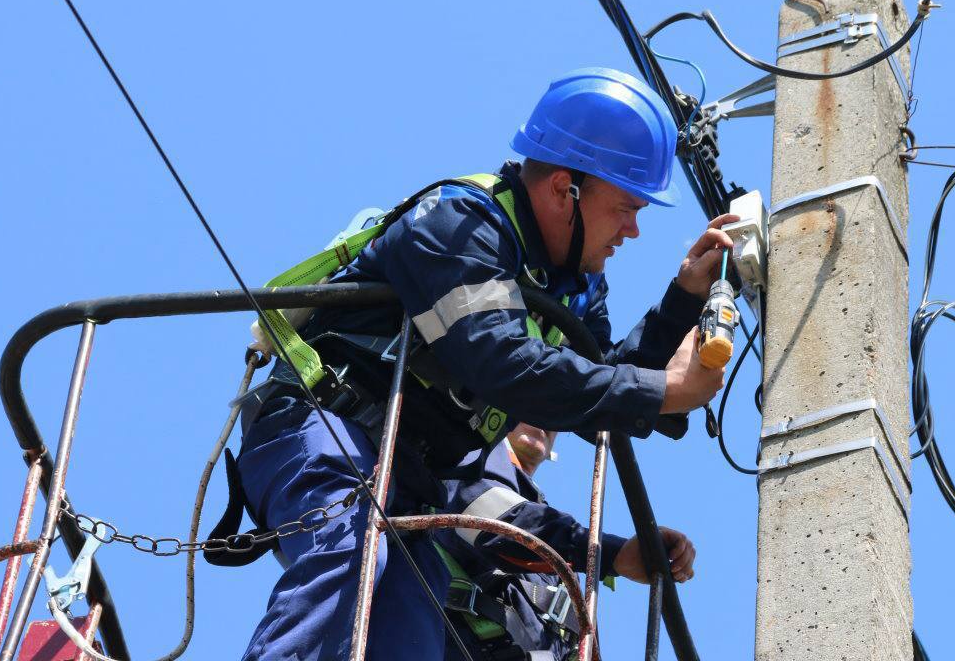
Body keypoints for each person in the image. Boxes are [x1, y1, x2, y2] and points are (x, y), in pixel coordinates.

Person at [234, 67, 735, 660]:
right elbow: (502, 362)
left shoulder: (573, 289)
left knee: (410, 626)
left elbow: (593, 391)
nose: (633, 229)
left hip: (409, 480)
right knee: (350, 554)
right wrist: (665, 390)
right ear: (564, 190)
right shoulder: (458, 225)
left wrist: (683, 301)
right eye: (626, 207)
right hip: (325, 426)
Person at [438, 423, 696, 660]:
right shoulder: (467, 454)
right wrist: (611, 554)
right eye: (530, 401)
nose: (543, 420)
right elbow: (494, 521)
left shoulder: (551, 538)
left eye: (552, 413)